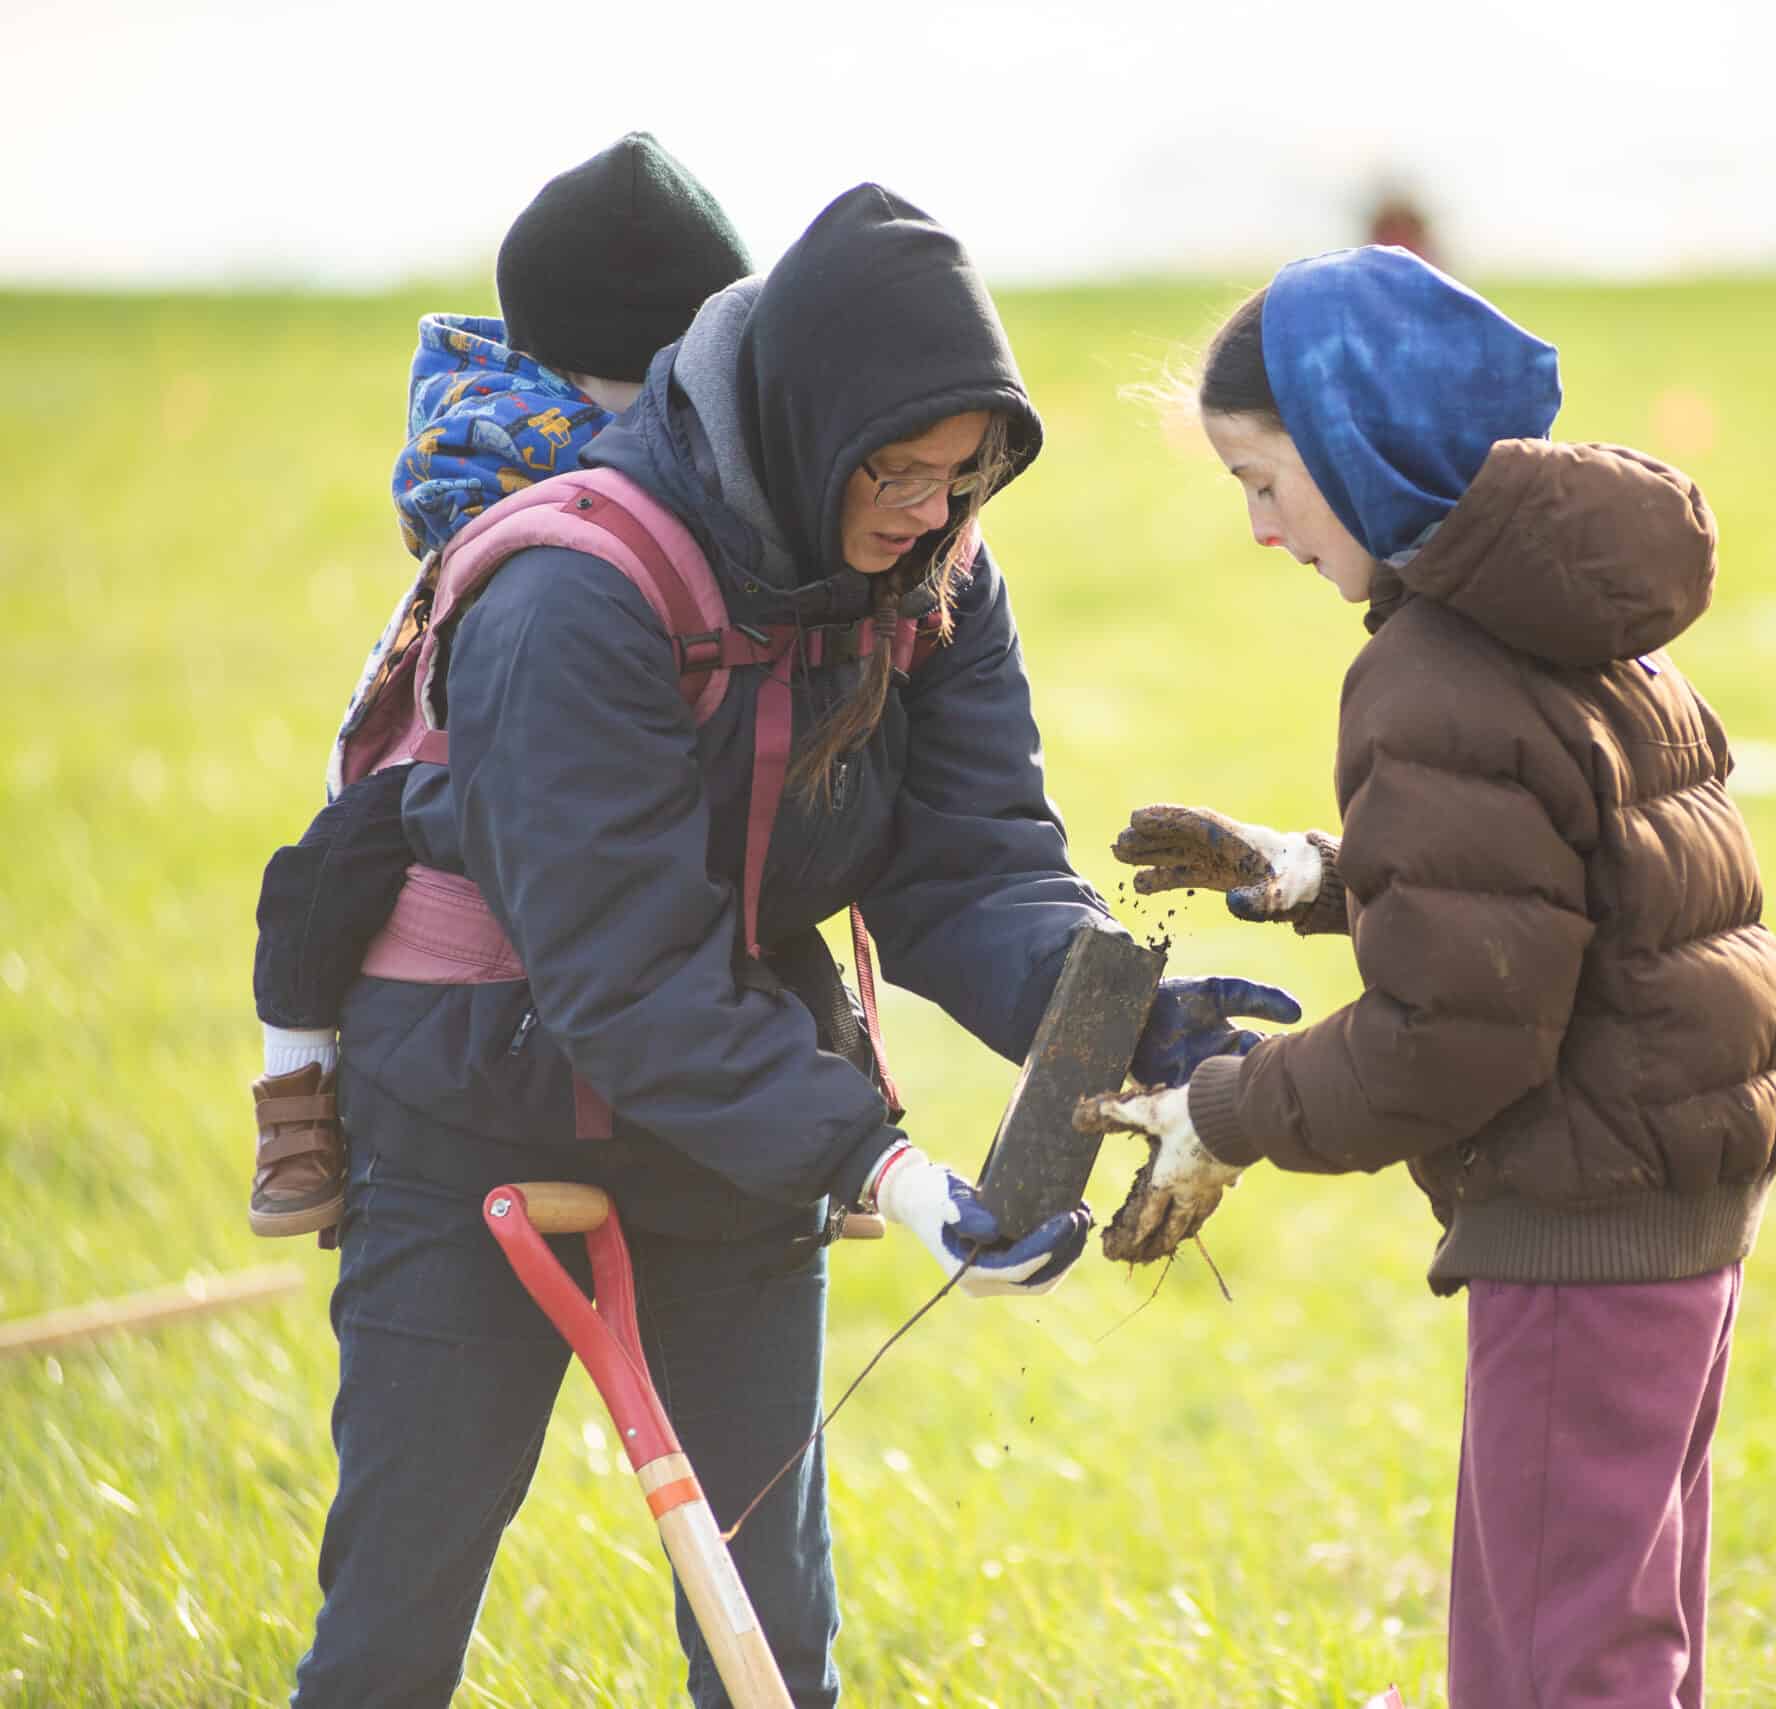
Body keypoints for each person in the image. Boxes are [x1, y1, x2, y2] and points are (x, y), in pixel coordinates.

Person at [289, 184, 1294, 1707]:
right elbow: (622, 977)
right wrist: (883, 1165)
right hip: (468, 1111)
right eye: (898, 471)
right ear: (805, 420)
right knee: (395, 1624)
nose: (931, 512)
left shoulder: (938, 575)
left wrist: (1122, 1020)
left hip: (732, 1122)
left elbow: (973, 864)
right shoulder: (569, 592)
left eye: (970, 476)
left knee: (775, 1637)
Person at [1085, 246, 1776, 1709]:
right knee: (1622, 1640)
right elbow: (1554, 891)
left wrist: (1224, 1112)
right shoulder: (1565, 613)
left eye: (1264, 482)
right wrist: (1318, 874)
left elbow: (1454, 1038)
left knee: (1547, 1670)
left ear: (1357, 454)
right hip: (1673, 1200)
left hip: (1579, 1223)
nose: (1263, 532)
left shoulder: (1431, 672)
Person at [250, 132, 758, 1239]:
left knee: (767, 865)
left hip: (642, 721)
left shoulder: (718, 437)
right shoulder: (494, 436)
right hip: (466, 731)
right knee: (322, 872)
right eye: (640, 384)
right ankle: (296, 1092)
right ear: (574, 367)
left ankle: (837, 1090)